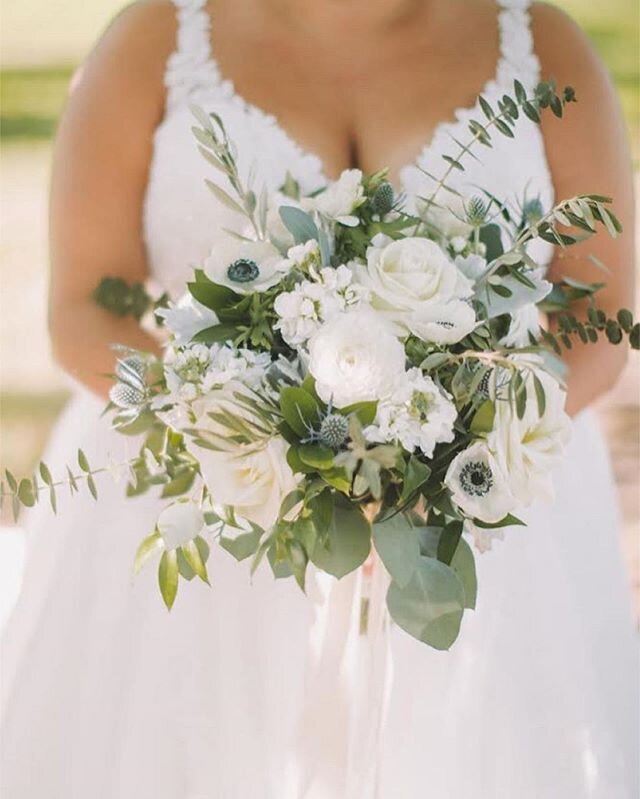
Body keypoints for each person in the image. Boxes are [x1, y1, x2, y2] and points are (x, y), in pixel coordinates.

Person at [1, 1, 637, 796]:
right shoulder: (153, 38)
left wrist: (450, 454)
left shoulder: (543, 45)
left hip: (485, 527)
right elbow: (84, 310)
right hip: (204, 511)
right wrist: (254, 438)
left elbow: (598, 323)